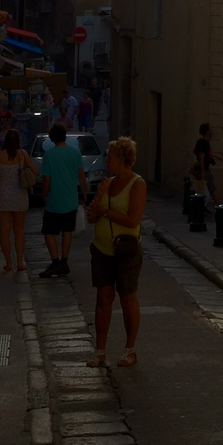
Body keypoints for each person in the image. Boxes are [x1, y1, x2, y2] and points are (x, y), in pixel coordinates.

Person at [86, 137, 146, 368]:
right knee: (103, 298)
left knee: (127, 297)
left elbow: (133, 220)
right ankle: (100, 351)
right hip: (101, 249)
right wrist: (99, 197)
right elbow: (92, 216)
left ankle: (129, 350)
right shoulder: (107, 183)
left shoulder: (137, 184)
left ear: (121, 159)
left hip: (126, 250)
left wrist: (106, 211)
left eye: (109, 156)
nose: (106, 159)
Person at [37, 123, 87, 278]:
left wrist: (44, 195)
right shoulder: (75, 152)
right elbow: (81, 175)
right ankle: (64, 261)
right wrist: (84, 194)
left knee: (48, 231)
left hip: (54, 199)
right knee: (67, 231)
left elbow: (46, 179)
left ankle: (55, 261)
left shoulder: (50, 155)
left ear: (52, 138)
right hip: (70, 199)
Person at [0, 128, 37, 275]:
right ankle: (20, 262)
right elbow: (35, 171)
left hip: (3, 196)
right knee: (19, 230)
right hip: (19, 196)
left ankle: (8, 263)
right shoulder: (22, 154)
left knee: (5, 230)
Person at [192, 123, 215, 205]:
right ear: (207, 131)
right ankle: (219, 207)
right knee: (208, 191)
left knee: (208, 189)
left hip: (203, 169)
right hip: (204, 169)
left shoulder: (201, 142)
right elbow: (201, 157)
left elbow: (195, 152)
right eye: (210, 129)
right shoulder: (204, 143)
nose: (212, 131)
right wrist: (202, 172)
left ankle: (217, 206)